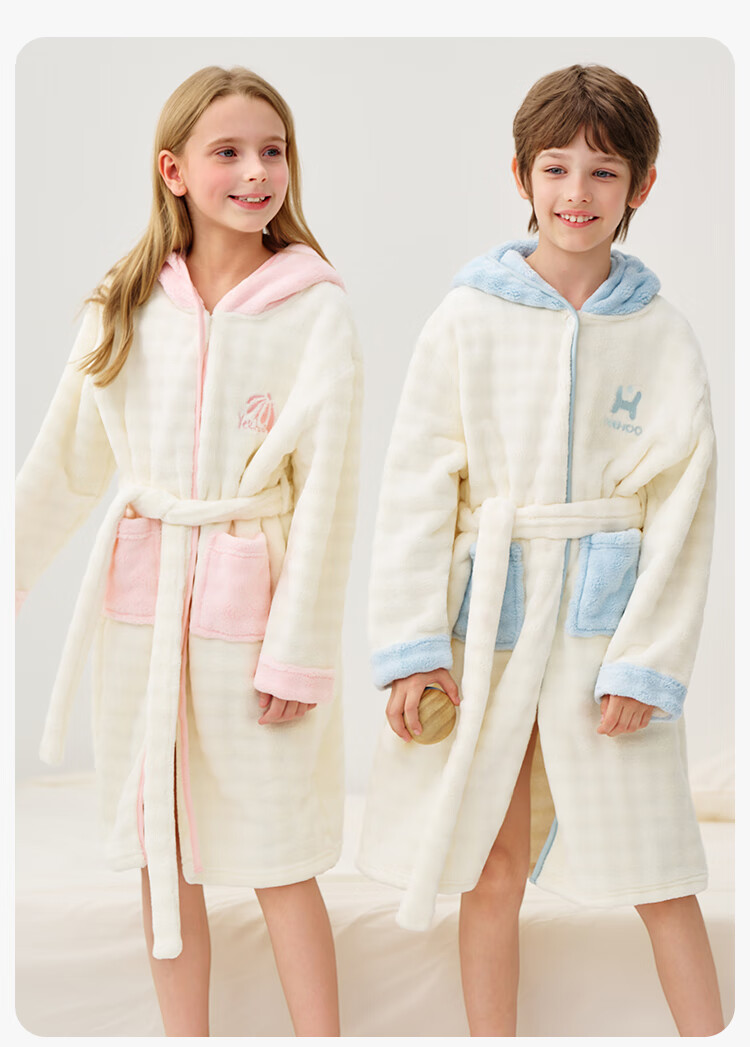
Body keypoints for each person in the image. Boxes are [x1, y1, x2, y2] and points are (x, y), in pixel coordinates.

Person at [358, 64, 723, 1036]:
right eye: (556, 168)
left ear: (642, 185)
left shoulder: (661, 333)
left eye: (604, 172)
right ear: (520, 175)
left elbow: (684, 509)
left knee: (661, 869)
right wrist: (413, 646)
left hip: (605, 631)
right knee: (492, 859)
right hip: (494, 625)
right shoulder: (467, 316)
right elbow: (416, 488)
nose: (577, 193)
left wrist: (647, 660)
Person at [15, 65, 361, 1037]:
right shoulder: (124, 304)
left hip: (255, 617)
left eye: (273, 151)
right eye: (229, 152)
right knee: (158, 844)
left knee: (281, 851)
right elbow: (65, 460)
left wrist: (299, 651)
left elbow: (330, 494)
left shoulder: (315, 308)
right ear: (173, 171)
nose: (256, 172)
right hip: (144, 607)